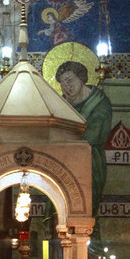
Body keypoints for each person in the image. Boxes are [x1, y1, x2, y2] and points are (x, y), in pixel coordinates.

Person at [55, 60, 112, 218]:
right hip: (62, 163)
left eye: (69, 80)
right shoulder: (61, 104)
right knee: (56, 211)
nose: (66, 86)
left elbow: (93, 135)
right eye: (62, 83)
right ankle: (49, 244)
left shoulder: (99, 104)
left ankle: (92, 243)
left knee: (86, 212)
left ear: (81, 78)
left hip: (90, 163)